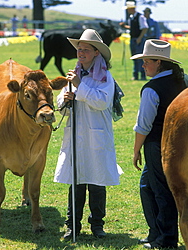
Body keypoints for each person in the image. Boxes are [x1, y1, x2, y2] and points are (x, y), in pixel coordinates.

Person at [54, 29, 122, 240]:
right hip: (76, 136)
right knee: (76, 182)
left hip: (96, 136)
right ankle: (72, 225)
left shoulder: (105, 77)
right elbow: (60, 105)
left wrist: (79, 88)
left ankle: (97, 225)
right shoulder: (72, 74)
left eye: (85, 50)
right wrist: (65, 100)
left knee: (97, 182)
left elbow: (102, 102)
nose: (81, 53)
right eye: (79, 50)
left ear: (96, 53)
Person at [131, 39, 188, 249]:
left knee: (161, 190)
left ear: (159, 62)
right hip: (183, 145)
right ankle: (155, 232)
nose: (143, 65)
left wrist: (136, 150)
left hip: (157, 144)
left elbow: (144, 125)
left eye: (147, 61)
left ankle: (166, 240)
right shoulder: (185, 80)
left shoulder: (151, 88)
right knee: (147, 186)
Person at [120, 1, 148, 80]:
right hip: (133, 39)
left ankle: (142, 75)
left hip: (138, 40)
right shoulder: (131, 17)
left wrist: (140, 38)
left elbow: (145, 28)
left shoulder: (140, 17)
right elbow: (132, 27)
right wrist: (125, 26)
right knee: (134, 58)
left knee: (140, 58)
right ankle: (135, 75)